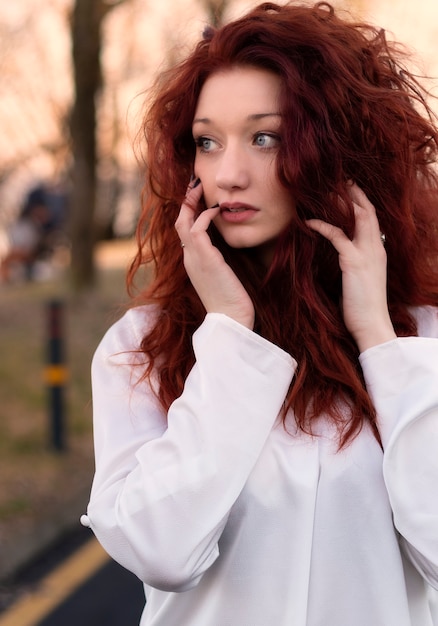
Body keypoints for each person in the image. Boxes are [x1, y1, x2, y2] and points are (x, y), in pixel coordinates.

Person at [81, 2, 438, 624]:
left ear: (337, 152)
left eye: (265, 137)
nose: (229, 174)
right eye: (207, 142)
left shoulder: (419, 337)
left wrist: (378, 339)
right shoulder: (142, 346)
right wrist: (228, 337)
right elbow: (160, 550)